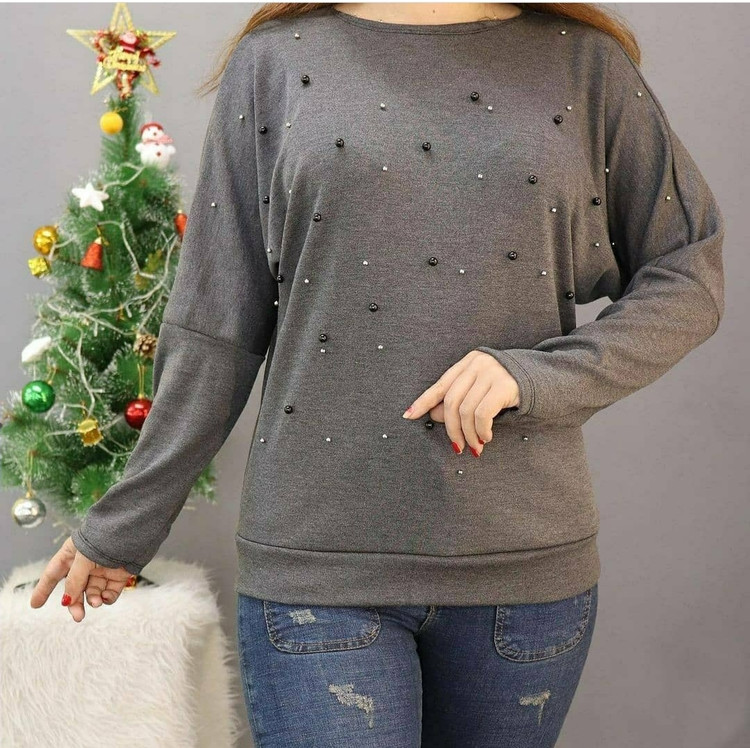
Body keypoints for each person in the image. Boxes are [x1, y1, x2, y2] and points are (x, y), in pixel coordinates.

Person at [31, 3, 725, 745]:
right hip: (317, 569)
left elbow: (689, 274)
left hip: (521, 576)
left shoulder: (584, 66)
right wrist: (126, 523)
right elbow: (216, 328)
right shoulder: (274, 62)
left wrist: (537, 378)